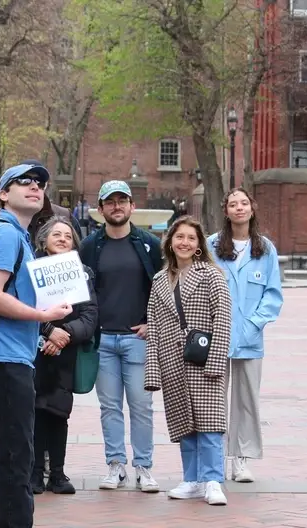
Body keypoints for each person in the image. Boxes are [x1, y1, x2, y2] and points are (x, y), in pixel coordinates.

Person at [0, 162, 72, 528]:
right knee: (13, 459)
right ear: (4, 193)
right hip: (1, 361)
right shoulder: (5, 234)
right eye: (24, 182)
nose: (35, 187)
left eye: (40, 183)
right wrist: (43, 317)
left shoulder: (17, 236)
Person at [79, 180, 162, 493]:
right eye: (110, 202)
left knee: (141, 406)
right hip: (102, 340)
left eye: (122, 201)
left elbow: (164, 289)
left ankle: (144, 466)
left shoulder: (149, 245)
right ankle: (116, 465)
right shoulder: (90, 246)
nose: (116, 206)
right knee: (110, 406)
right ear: (101, 210)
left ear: (132, 207)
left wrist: (152, 322)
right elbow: (79, 290)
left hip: (137, 339)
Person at [145, 215, 231, 505]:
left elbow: (223, 318)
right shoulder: (159, 280)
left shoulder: (211, 274)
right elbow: (153, 325)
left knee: (209, 422)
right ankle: (191, 479)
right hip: (171, 361)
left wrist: (216, 360)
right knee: (184, 423)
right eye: (179, 237)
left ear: (198, 245)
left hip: (203, 358)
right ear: (170, 242)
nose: (184, 242)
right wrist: (153, 371)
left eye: (191, 238)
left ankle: (213, 480)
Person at [207, 187, 283, 483]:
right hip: (215, 337)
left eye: (244, 203)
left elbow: (272, 294)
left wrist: (253, 325)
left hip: (250, 340)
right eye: (233, 204)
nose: (239, 208)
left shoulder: (265, 249)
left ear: (252, 208)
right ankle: (215, 458)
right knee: (214, 400)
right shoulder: (211, 245)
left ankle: (240, 459)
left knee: (246, 401)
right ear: (225, 210)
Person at [31, 216, 98, 495]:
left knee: (59, 414)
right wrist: (48, 331)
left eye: (68, 236)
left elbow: (91, 314)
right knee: (34, 413)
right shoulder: (29, 270)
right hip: (34, 351)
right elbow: (22, 306)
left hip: (66, 355)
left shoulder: (82, 273)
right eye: (56, 234)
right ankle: (34, 473)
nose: (62, 239)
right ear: (43, 241)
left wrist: (64, 334)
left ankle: (57, 473)